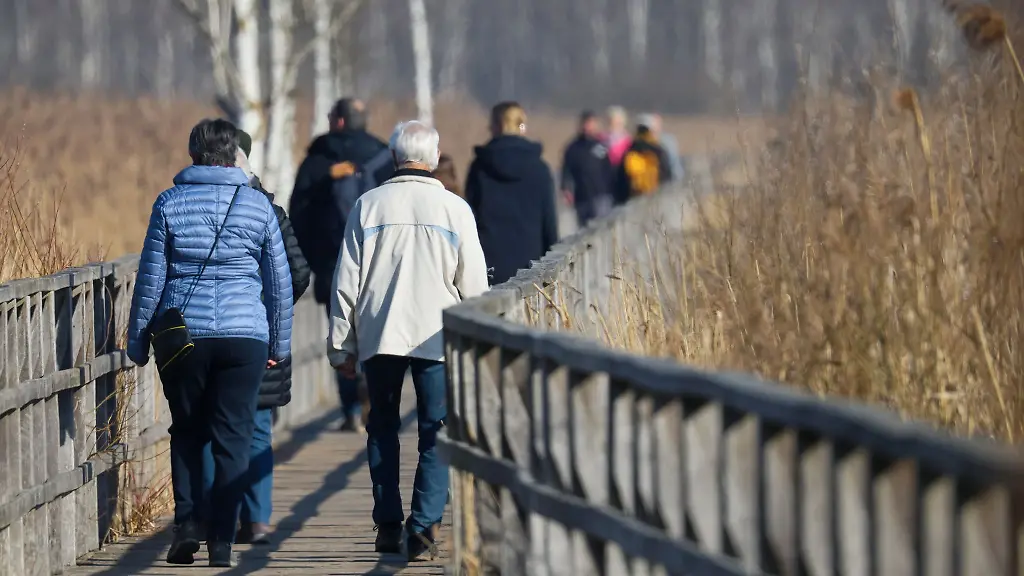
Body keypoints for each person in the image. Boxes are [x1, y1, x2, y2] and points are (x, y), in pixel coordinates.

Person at [126, 119, 293, 568]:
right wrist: (280, 343)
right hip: (245, 337)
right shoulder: (258, 206)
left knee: (187, 431)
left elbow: (151, 280)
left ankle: (187, 527)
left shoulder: (170, 204)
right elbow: (278, 283)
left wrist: (138, 339)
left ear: (193, 153)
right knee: (235, 436)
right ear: (234, 154)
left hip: (187, 337)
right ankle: (222, 540)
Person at [327, 121, 488, 560]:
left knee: (381, 426)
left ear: (396, 157)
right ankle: (424, 521)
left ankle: (387, 520)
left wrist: (341, 345)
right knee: (438, 428)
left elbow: (346, 282)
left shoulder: (367, 205)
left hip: (382, 332)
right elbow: (473, 285)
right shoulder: (455, 210)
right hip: (438, 335)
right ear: (433, 159)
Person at [198, 131, 311, 546]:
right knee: (258, 425)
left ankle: (213, 518)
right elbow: (298, 273)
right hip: (257, 334)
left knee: (212, 426)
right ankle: (257, 519)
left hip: (201, 335)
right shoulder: (270, 212)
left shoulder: (190, 205)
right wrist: (267, 309)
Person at [290, 97, 394, 433]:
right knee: (376, 331)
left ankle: (350, 407)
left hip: (332, 263)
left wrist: (305, 261)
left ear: (336, 121)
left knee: (340, 331)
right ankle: (376, 397)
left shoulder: (318, 160)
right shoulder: (384, 157)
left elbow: (298, 213)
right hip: (379, 263)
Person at [464, 101, 559, 285]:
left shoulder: (480, 168)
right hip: (532, 264)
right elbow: (549, 222)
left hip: (490, 263)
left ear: (496, 126)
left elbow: (471, 217)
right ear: (522, 127)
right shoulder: (539, 168)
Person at [560, 110, 615, 228]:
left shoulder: (600, 146)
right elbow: (566, 170)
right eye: (585, 124)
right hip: (582, 196)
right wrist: (566, 189)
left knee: (601, 228)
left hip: (601, 196)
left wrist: (612, 191)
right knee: (584, 231)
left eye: (590, 124)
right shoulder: (573, 148)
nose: (587, 127)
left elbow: (608, 169)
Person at [614, 114, 673, 205]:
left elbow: (621, 181)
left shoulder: (629, 152)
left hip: (633, 201)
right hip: (656, 200)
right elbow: (667, 177)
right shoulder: (659, 152)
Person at [648, 113, 684, 182]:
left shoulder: (668, 142)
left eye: (656, 124)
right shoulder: (642, 144)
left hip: (667, 180)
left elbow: (674, 162)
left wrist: (677, 179)